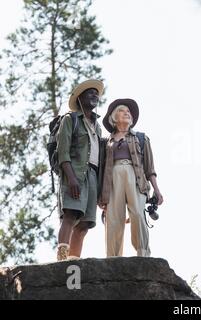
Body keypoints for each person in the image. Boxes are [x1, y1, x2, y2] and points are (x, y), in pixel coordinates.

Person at [99, 99, 163, 257]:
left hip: (135, 177)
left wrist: (157, 189)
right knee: (113, 218)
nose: (127, 113)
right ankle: (113, 258)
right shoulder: (106, 142)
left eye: (128, 112)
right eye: (122, 110)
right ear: (114, 117)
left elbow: (150, 168)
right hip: (112, 178)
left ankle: (143, 253)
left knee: (137, 214)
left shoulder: (141, 138)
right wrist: (100, 195)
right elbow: (100, 169)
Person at [56, 79, 104, 261]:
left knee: (85, 224)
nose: (95, 96)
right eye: (90, 93)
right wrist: (71, 178)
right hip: (74, 173)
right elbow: (63, 152)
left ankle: (73, 262)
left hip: (92, 176)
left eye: (96, 93)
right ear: (80, 98)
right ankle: (61, 259)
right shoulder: (70, 119)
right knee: (70, 215)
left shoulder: (97, 127)